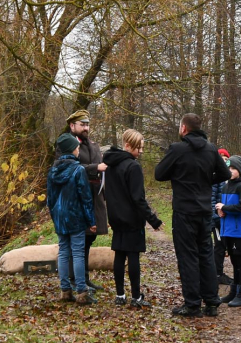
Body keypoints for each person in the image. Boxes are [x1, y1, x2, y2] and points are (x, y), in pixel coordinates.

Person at [154, 113, 231, 318]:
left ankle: (192, 304)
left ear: (184, 129)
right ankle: (212, 301)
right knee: (205, 255)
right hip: (205, 210)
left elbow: (159, 174)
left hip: (184, 211)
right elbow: (224, 173)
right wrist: (206, 180)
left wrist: (180, 175)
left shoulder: (177, 149)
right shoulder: (211, 149)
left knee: (187, 256)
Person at [103, 129, 162, 308]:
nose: (141, 152)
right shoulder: (133, 166)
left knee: (119, 255)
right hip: (131, 220)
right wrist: (153, 220)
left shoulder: (111, 164)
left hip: (116, 218)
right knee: (133, 256)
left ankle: (120, 294)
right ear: (128, 146)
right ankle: (136, 296)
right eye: (138, 148)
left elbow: (108, 193)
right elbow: (138, 198)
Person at [46, 133, 97, 304]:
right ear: (70, 149)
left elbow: (50, 200)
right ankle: (82, 291)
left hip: (60, 216)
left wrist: (55, 217)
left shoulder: (52, 171)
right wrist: (91, 221)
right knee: (77, 253)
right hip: (75, 217)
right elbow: (86, 198)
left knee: (63, 252)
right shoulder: (78, 170)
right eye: (76, 147)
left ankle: (65, 290)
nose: (78, 149)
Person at [68, 110, 108, 290]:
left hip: (95, 197)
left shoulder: (93, 144)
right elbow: (69, 167)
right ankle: (75, 279)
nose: (86, 128)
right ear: (72, 126)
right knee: (78, 241)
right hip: (78, 199)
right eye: (82, 124)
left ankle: (84, 278)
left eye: (87, 124)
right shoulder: (67, 144)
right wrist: (94, 167)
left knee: (89, 239)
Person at [216, 155, 241, 307]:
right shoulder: (225, 186)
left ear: (239, 170)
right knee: (233, 261)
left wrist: (225, 208)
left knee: (240, 262)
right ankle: (233, 292)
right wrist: (220, 211)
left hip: (239, 230)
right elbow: (223, 206)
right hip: (228, 230)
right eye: (228, 168)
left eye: (233, 169)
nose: (230, 171)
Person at [211, 147, 233, 286]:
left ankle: (219, 272)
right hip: (216, 218)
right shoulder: (215, 179)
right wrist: (215, 216)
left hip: (226, 218)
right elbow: (212, 199)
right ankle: (217, 274)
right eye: (222, 160)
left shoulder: (229, 179)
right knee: (219, 246)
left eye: (226, 160)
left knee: (224, 245)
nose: (224, 163)